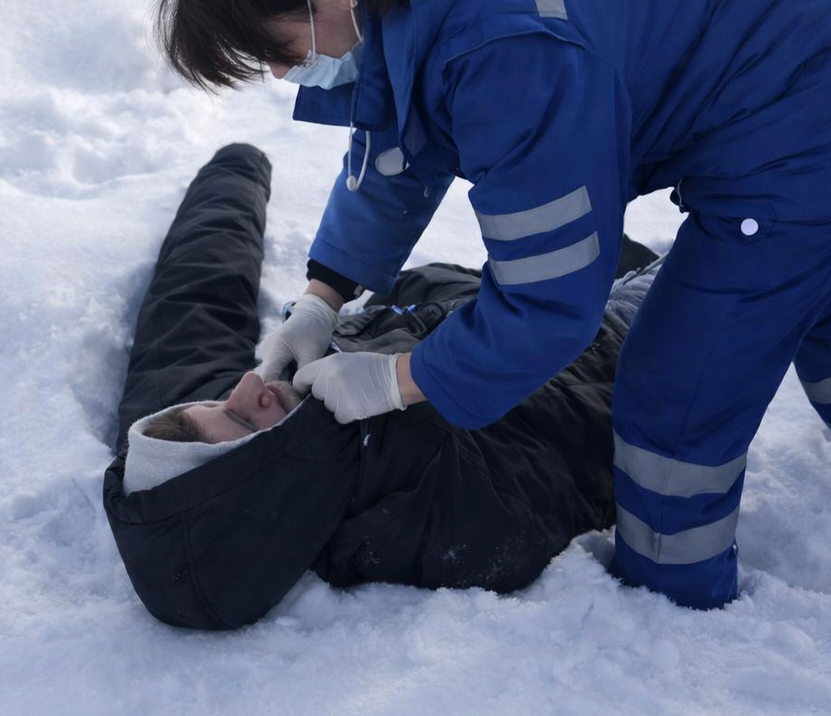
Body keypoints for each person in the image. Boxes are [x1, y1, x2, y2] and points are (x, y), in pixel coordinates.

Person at [154, 0, 831, 609]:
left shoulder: (507, 47)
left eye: (277, 50)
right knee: (828, 279)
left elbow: (549, 303)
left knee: (678, 394)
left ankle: (673, 606)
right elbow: (409, 108)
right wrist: (324, 295)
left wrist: (397, 380)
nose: (282, 73)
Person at [103, 143, 659, 630]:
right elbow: (585, 435)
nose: (249, 384)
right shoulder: (439, 520)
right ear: (273, 497)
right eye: (244, 421)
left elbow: (192, 298)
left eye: (220, 402)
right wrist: (408, 381)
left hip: (468, 295)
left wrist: (236, 168)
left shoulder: (190, 445)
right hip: (618, 344)